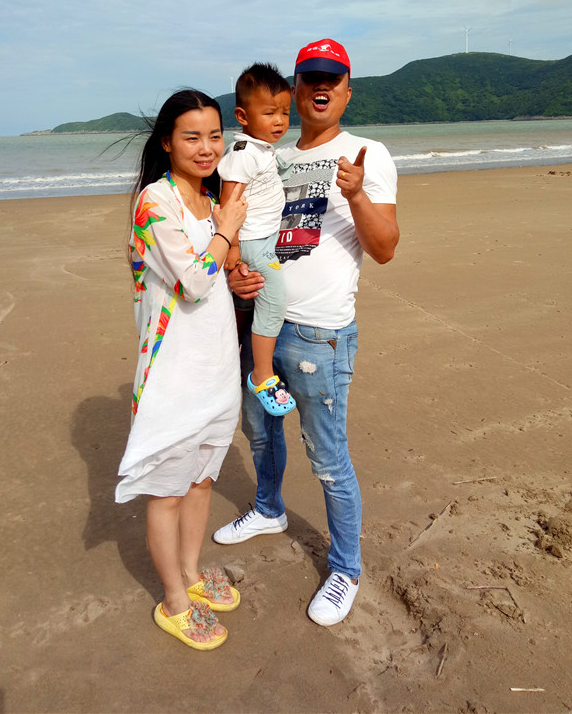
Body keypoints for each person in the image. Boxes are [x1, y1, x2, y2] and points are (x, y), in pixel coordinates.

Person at [213, 39, 399, 627]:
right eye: (311, 77)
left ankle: (345, 568)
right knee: (260, 432)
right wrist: (236, 273)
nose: (322, 86)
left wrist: (355, 193)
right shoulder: (272, 155)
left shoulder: (368, 154)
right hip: (262, 324)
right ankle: (268, 507)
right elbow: (244, 222)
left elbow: (385, 248)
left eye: (333, 78)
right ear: (295, 91)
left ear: (347, 90)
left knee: (328, 457)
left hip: (320, 334)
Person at [115, 89, 248, 651]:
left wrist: (237, 274)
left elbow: (215, 276)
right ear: (167, 142)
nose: (206, 147)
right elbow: (193, 282)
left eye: (214, 135)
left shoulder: (211, 198)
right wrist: (226, 229)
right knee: (167, 491)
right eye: (191, 136)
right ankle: (173, 600)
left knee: (201, 479)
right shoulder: (155, 201)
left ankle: (191, 572)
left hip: (217, 366)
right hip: (172, 375)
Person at [218, 63, 296, 417]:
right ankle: (262, 375)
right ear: (242, 116)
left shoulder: (261, 149)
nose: (279, 121)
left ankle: (228, 365)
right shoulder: (243, 153)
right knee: (274, 301)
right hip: (251, 241)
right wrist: (232, 246)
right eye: (269, 113)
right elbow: (229, 202)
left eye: (285, 113)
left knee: (250, 304)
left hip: (261, 239)